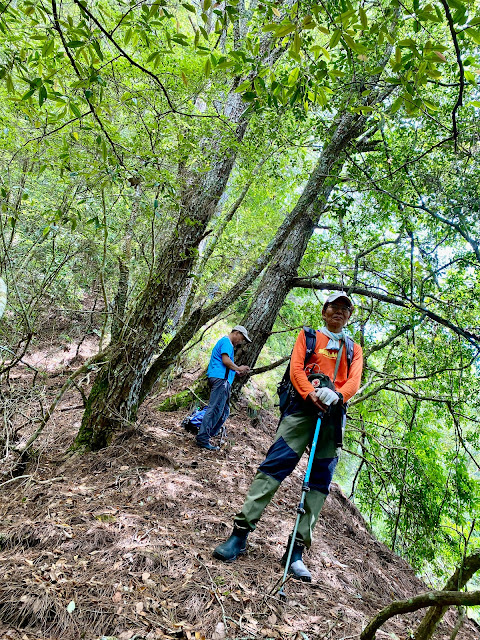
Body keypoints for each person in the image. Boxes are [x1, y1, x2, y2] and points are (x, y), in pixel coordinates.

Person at [212, 293, 363, 581]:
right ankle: (239, 535)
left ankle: (295, 552)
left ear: (349, 316)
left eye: (345, 309)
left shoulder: (354, 349)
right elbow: (296, 369)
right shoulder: (307, 337)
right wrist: (310, 392)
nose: (339, 313)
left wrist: (338, 395)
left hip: (332, 419)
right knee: (273, 468)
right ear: (324, 311)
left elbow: (354, 380)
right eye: (335, 307)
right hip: (300, 411)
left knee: (319, 484)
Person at [196, 325, 252, 451]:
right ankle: (202, 438)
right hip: (220, 380)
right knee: (215, 409)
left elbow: (226, 365)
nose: (241, 341)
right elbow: (226, 361)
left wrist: (238, 372)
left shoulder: (227, 344)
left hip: (222, 380)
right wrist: (238, 368)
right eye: (241, 338)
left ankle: (207, 434)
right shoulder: (227, 342)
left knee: (224, 411)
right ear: (236, 333)